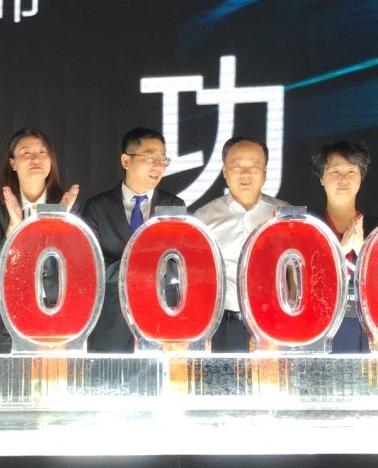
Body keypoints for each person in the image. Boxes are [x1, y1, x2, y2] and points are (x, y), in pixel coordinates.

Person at [0, 128, 82, 352]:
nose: (36, 158)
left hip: (56, 321)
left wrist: (57, 223)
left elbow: (75, 269)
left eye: (42, 152)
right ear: (13, 163)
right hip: (5, 326)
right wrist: (14, 226)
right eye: (26, 152)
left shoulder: (67, 205)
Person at [82, 127, 184, 352]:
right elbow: (91, 265)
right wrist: (143, 267)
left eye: (163, 159)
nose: (158, 166)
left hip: (159, 321)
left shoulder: (173, 206)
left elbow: (178, 264)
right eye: (150, 158)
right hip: (110, 324)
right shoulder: (97, 207)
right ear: (126, 161)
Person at [194, 136, 286, 352]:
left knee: (270, 376)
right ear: (225, 171)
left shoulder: (284, 215)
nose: (245, 174)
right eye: (237, 166)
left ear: (265, 172)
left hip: (273, 323)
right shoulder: (204, 217)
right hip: (221, 325)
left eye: (254, 166)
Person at [312, 140, 378, 354]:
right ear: (321, 178)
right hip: (319, 329)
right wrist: (339, 252)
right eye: (334, 171)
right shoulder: (309, 229)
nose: (343, 179)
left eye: (351, 171)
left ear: (361, 177)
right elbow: (301, 289)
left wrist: (363, 251)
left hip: (368, 332)